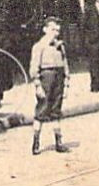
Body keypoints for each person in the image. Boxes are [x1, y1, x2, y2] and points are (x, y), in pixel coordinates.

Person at [28, 16, 69, 154]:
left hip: (59, 77)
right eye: (52, 30)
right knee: (42, 109)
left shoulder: (60, 46)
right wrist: (38, 85)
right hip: (46, 77)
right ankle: (36, 142)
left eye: (57, 30)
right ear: (45, 30)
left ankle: (58, 141)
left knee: (56, 109)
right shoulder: (39, 46)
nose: (55, 33)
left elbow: (65, 65)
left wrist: (67, 83)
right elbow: (34, 67)